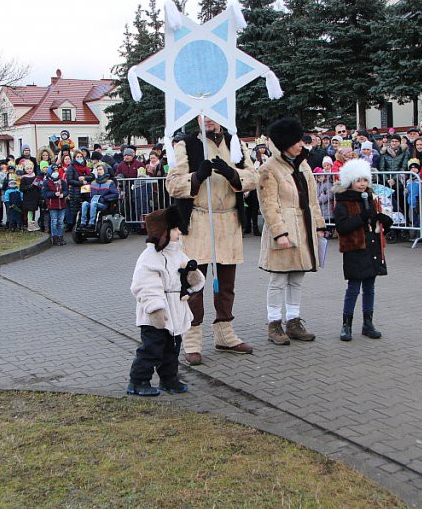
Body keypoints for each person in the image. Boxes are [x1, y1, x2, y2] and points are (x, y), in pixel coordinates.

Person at [166, 117, 259, 365]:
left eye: (213, 113)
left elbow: (253, 176)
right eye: (203, 114)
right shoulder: (185, 144)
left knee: (226, 283)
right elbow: (172, 184)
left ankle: (225, 334)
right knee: (195, 285)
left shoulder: (235, 143)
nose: (208, 119)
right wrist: (197, 177)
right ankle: (192, 338)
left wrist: (232, 174)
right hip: (198, 220)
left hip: (228, 220)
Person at [257, 117, 326, 346]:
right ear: (285, 142)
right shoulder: (269, 169)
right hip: (285, 230)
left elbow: (313, 200)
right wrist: (280, 233)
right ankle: (274, 323)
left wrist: (319, 225)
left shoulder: (303, 165)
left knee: (297, 278)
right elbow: (268, 204)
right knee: (278, 279)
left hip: (304, 228)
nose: (301, 144)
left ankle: (294, 321)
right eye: (297, 140)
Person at [127, 206, 204, 396]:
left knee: (172, 349)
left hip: (175, 312)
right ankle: (138, 380)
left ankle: (169, 379)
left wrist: (193, 277)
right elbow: (145, 285)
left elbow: (188, 273)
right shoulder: (149, 258)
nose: (180, 232)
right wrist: (155, 309)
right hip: (157, 315)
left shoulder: (177, 253)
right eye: (175, 229)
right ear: (163, 232)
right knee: (152, 350)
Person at [331, 158, 392, 342]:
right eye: (358, 180)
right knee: (353, 288)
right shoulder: (343, 202)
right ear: (350, 181)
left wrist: (383, 221)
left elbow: (374, 224)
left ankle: (368, 323)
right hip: (355, 249)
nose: (362, 184)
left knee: (370, 288)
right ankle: (346, 324)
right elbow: (342, 227)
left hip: (371, 247)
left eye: (365, 180)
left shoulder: (371, 198)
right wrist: (361, 217)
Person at [80, 162, 119, 227]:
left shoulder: (109, 182)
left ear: (105, 170)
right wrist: (84, 192)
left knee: (93, 203)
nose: (99, 171)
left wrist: (104, 198)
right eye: (98, 170)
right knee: (84, 203)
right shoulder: (93, 182)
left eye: (100, 169)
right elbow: (88, 195)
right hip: (93, 202)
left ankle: (92, 223)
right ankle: (83, 222)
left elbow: (115, 194)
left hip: (103, 203)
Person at [43, 166, 67, 245]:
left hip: (62, 204)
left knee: (61, 222)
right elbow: (45, 194)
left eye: (56, 170)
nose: (55, 172)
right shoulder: (47, 182)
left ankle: (60, 237)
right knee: (54, 221)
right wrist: (54, 194)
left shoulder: (62, 181)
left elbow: (66, 191)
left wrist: (63, 194)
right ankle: (55, 237)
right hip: (52, 205)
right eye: (54, 171)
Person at [19, 163, 43, 232]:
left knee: (33, 210)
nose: (29, 170)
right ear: (25, 169)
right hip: (28, 197)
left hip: (35, 196)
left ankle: (32, 222)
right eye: (27, 169)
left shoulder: (35, 177)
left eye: (30, 168)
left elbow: (39, 187)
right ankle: (29, 224)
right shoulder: (23, 178)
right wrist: (30, 186)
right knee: (29, 210)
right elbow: (22, 188)